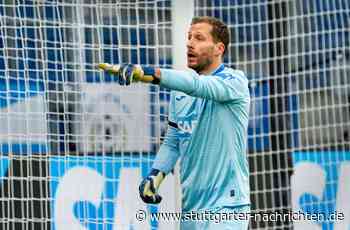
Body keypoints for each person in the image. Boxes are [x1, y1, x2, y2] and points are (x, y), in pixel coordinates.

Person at [99, 16, 250, 230]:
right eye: (189, 37)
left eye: (198, 38)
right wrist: (155, 174)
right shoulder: (180, 94)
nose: (189, 43)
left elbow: (199, 86)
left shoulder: (235, 82)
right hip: (191, 208)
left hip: (227, 208)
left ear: (219, 48)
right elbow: (173, 140)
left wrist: (146, 74)